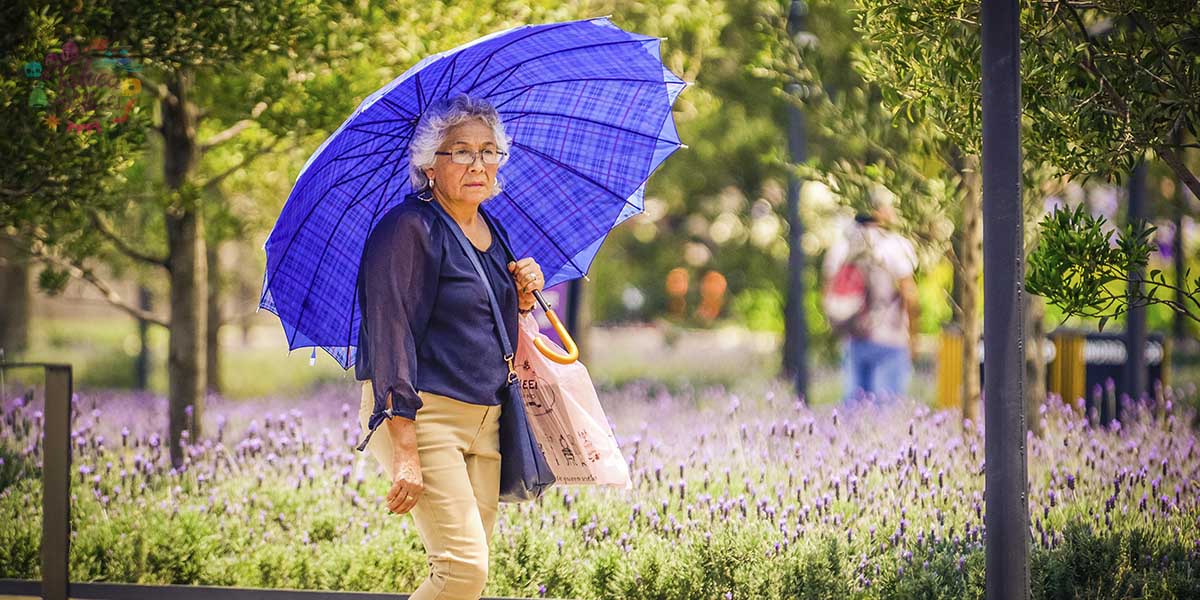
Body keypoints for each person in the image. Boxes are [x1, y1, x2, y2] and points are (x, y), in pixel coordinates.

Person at [353, 94, 544, 600]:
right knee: (461, 570)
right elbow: (390, 335)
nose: (478, 164)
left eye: (489, 151)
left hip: (487, 418)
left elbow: (477, 322)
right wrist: (405, 450)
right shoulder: (408, 229)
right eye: (461, 151)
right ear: (428, 165)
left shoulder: (491, 227)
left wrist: (522, 297)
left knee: (466, 581)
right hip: (424, 415)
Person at [822, 187, 920, 402]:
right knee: (886, 408)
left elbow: (828, 294)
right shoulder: (895, 246)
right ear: (879, 211)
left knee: (854, 409)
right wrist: (913, 338)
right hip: (890, 339)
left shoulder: (842, 247)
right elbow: (910, 295)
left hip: (853, 337)